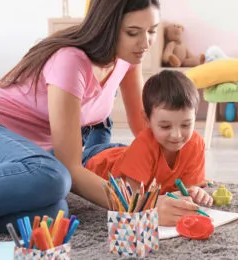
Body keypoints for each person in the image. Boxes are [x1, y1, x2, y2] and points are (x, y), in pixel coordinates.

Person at [0, 0, 160, 233]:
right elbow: (70, 168)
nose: (146, 42)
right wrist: (141, 207)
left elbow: (144, 128)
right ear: (107, 25)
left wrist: (183, 175)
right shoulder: (71, 61)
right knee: (53, 176)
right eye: (133, 32)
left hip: (21, 153)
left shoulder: (127, 60)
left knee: (55, 214)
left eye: (152, 30)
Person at [84, 70, 213, 226]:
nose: (177, 135)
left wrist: (194, 192)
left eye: (186, 125)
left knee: (131, 152)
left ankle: (99, 126)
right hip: (96, 160)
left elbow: (187, 188)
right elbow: (133, 201)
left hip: (125, 153)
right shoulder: (144, 145)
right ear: (147, 120)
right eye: (165, 126)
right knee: (75, 155)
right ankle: (98, 123)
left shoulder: (195, 143)